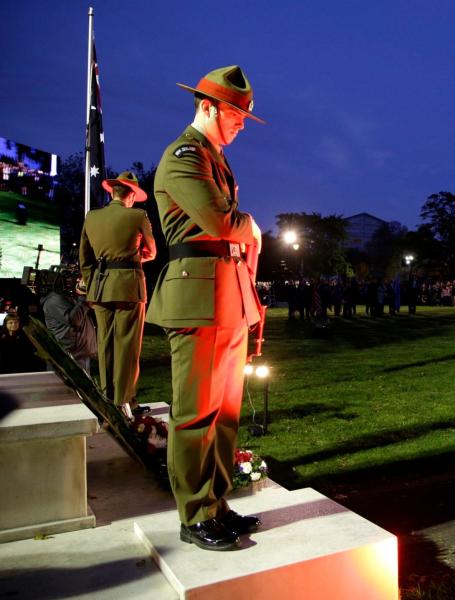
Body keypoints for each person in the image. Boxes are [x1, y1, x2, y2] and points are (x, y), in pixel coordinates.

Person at [146, 65, 264, 551]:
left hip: (226, 297)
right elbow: (218, 219)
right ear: (207, 106)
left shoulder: (214, 158)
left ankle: (216, 503)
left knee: (224, 414)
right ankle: (193, 514)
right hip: (197, 298)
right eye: (235, 114)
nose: (240, 124)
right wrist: (250, 224)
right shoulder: (183, 156)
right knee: (195, 414)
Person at [79, 171, 157, 419]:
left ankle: (106, 396)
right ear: (131, 195)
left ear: (112, 192)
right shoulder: (137, 215)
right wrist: (134, 256)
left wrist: (93, 285)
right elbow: (152, 251)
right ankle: (124, 401)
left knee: (105, 343)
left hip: (101, 288)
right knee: (127, 345)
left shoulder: (92, 217)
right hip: (128, 287)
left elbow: (85, 258)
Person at [41, 275, 97, 374]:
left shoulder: (65, 297)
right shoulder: (53, 301)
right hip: (69, 358)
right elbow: (75, 320)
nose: (78, 280)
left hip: (79, 354)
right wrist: (83, 297)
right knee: (64, 389)